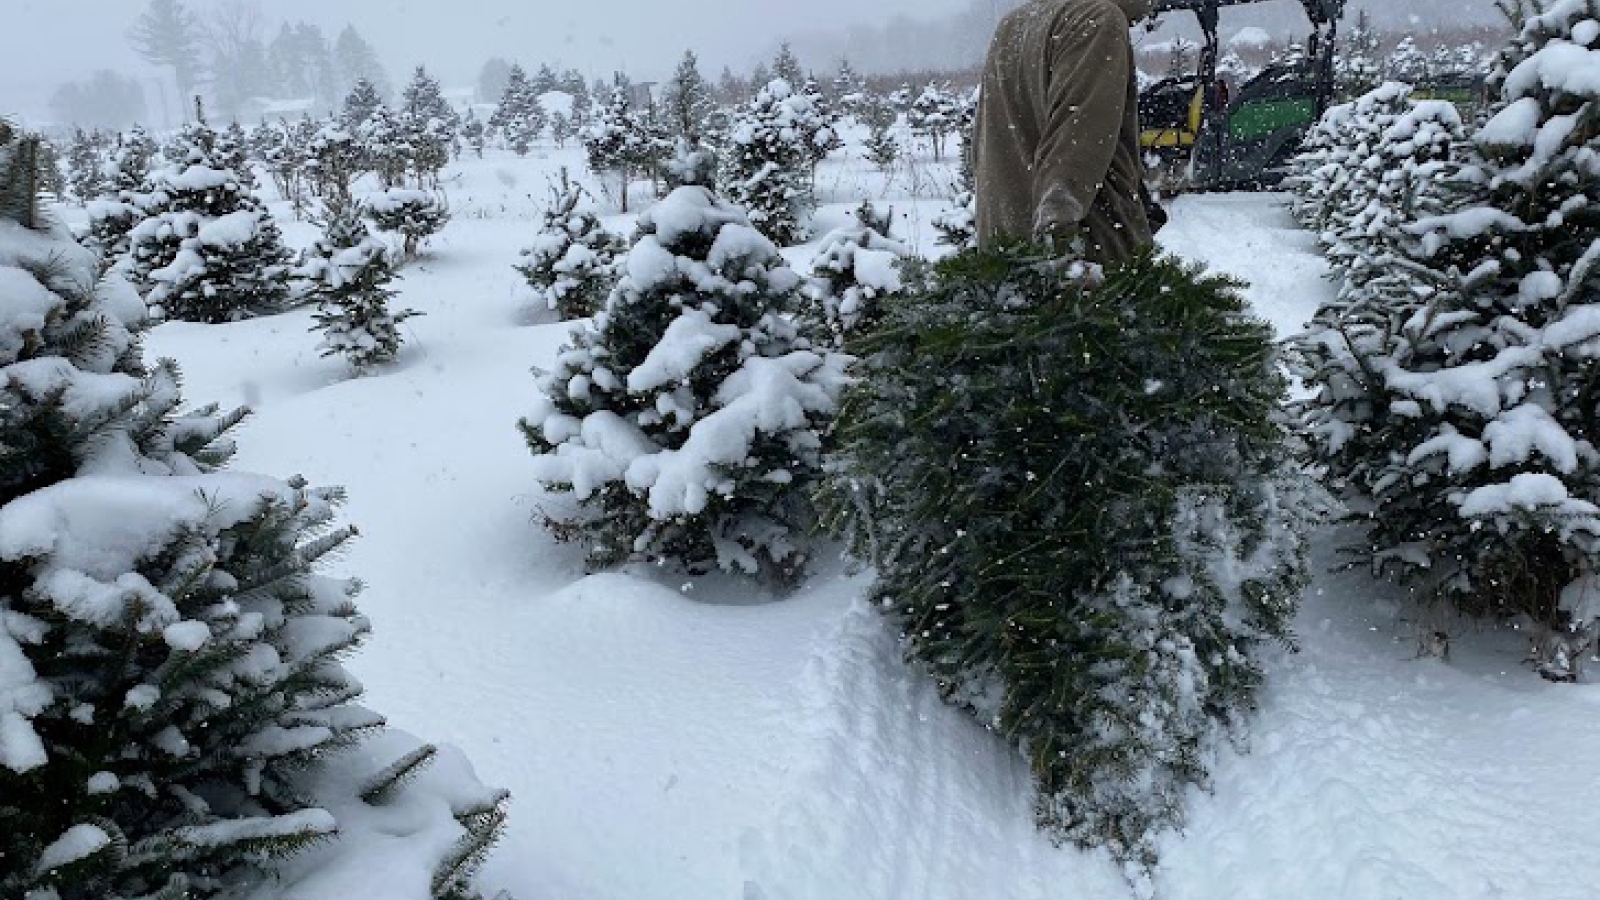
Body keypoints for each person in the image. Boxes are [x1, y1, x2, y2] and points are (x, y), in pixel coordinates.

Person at [974, 0, 1163, 265]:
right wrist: (1058, 243)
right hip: (1087, 260)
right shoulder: (1097, 19)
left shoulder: (1013, 24)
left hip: (1006, 253)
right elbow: (1076, 144)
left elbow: (985, 147)